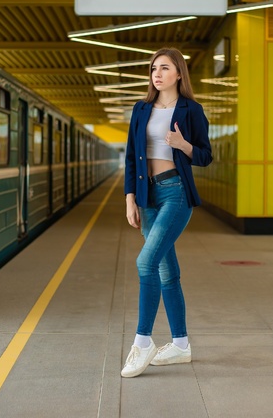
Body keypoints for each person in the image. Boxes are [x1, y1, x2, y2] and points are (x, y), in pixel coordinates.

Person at [121, 47, 212, 378]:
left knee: (145, 262)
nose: (156, 74)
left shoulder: (191, 110)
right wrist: (130, 198)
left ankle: (143, 342)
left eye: (164, 68)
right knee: (165, 272)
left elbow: (205, 155)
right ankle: (180, 345)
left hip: (176, 193)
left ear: (178, 74)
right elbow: (132, 156)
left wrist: (182, 144)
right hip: (147, 196)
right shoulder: (141, 109)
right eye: (153, 69)